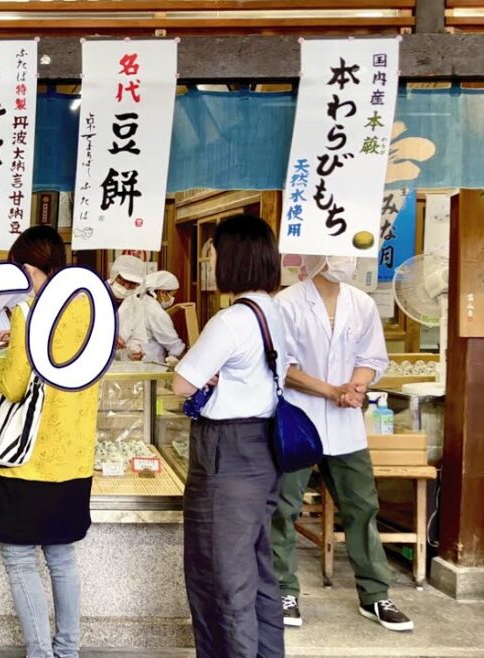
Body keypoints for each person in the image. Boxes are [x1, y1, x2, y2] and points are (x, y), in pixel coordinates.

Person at [272, 255, 413, 632]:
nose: (343, 260)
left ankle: (376, 595)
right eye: (334, 252)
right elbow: (282, 366)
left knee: (362, 507)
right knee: (284, 509)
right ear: (313, 256)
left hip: (347, 423)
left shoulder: (361, 303)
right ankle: (284, 591)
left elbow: (372, 357)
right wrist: (331, 390)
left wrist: (356, 386)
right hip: (300, 419)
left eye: (348, 253)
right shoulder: (286, 303)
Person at [171, 214, 287, 658]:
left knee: (220, 575)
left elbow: (183, 382)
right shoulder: (275, 311)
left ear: (231, 257)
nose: (209, 260)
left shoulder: (232, 320)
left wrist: (205, 373)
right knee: (256, 571)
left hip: (226, 455)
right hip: (264, 448)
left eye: (212, 252)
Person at [0, 226, 101, 658]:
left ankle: (40, 653)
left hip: (28, 456)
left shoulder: (27, 311)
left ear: (33, 267)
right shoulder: (91, 307)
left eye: (20, 268)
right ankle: (67, 652)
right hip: (74, 457)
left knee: (19, 559)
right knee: (62, 558)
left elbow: (14, 386)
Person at [132, 270, 186, 365]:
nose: (172, 299)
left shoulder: (141, 301)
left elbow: (152, 322)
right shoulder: (156, 312)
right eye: (172, 295)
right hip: (148, 366)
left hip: (132, 364)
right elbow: (174, 346)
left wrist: (175, 308)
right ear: (163, 292)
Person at [108, 255, 148, 360]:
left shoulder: (136, 305)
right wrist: (106, 338)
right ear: (114, 275)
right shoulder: (92, 296)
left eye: (132, 284)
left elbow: (137, 338)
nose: (126, 287)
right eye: (122, 280)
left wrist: (132, 352)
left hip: (119, 368)